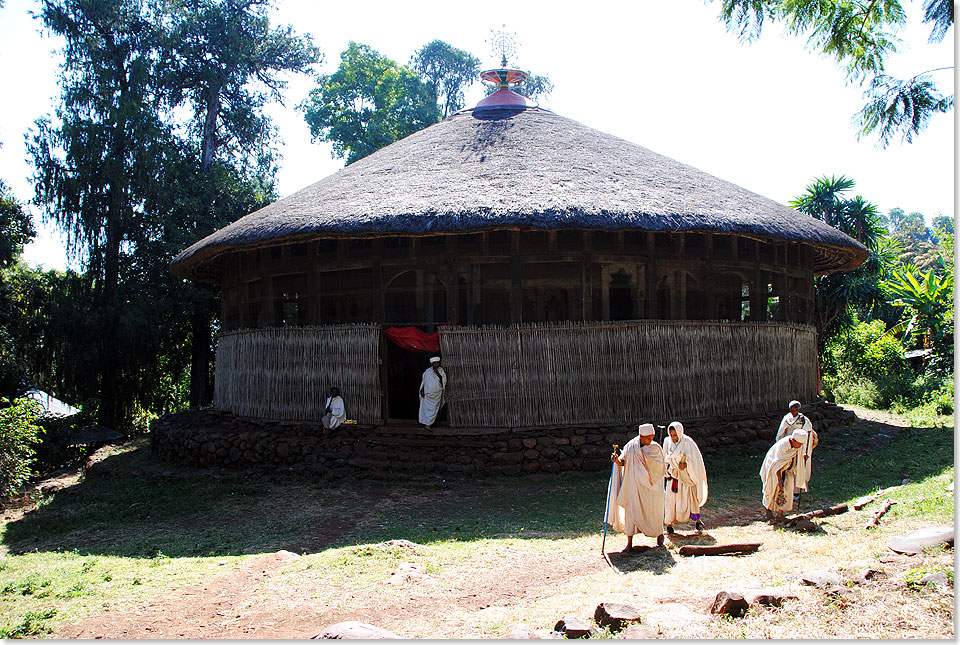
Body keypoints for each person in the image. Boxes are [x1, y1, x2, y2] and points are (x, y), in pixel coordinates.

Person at [607, 423, 666, 551]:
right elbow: (623, 462)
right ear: (641, 436)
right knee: (631, 513)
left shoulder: (655, 448)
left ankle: (659, 535)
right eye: (648, 438)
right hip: (633, 487)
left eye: (652, 437)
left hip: (651, 489)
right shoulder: (631, 446)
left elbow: (660, 469)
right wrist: (616, 460)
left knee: (654, 511)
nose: (650, 441)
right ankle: (629, 543)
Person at [663, 421, 709, 534]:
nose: (673, 437)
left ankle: (697, 521)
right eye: (671, 435)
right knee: (670, 500)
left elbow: (695, 460)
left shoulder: (688, 443)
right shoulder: (667, 442)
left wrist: (686, 464)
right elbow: (664, 457)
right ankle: (669, 524)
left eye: (675, 435)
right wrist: (667, 470)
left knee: (690, 498)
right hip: (673, 476)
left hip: (687, 476)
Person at [775, 400, 819, 501]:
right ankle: (784, 489)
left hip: (800, 448)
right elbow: (781, 433)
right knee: (786, 468)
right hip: (788, 447)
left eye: (795, 410)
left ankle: (796, 491)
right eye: (791, 410)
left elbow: (808, 436)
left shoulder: (804, 420)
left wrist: (806, 452)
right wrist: (780, 446)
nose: (793, 412)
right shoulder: (787, 418)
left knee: (797, 468)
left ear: (799, 410)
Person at [759, 428, 807, 521]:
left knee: (787, 490)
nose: (800, 446)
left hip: (787, 469)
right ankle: (768, 510)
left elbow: (797, 456)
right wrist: (780, 480)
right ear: (793, 440)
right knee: (772, 489)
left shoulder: (797, 445)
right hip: (773, 469)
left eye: (801, 444)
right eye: (799, 444)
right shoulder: (783, 446)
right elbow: (776, 464)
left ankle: (780, 515)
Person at [418, 356, 447, 429]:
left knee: (433, 409)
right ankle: (425, 423)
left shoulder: (441, 371)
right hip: (427, 394)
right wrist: (422, 390)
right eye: (434, 363)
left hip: (436, 394)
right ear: (432, 364)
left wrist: (437, 373)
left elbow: (443, 381)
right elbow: (423, 381)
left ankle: (428, 424)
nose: (436, 364)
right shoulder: (427, 371)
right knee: (426, 409)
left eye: (437, 363)